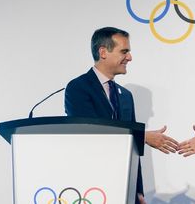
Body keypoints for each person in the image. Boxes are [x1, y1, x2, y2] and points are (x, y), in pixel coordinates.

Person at [65, 27, 179, 204]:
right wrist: (143, 137)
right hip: (91, 188)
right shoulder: (78, 88)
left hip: (124, 189)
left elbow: (133, 152)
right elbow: (90, 134)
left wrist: (138, 191)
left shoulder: (125, 95)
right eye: (124, 51)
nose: (130, 57)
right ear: (103, 52)